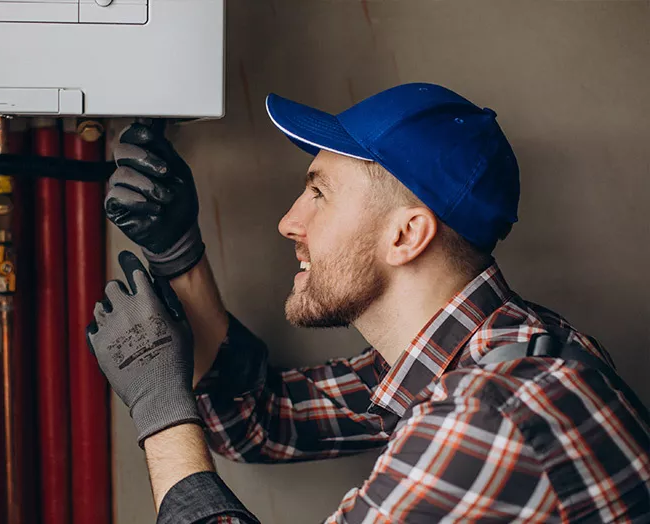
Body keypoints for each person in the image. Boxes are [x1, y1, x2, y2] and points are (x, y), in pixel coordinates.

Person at [87, 83, 650, 523]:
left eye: (318, 193)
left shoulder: (490, 414)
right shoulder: (492, 346)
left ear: (406, 236)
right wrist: (179, 253)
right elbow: (261, 422)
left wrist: (160, 409)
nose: (288, 222)